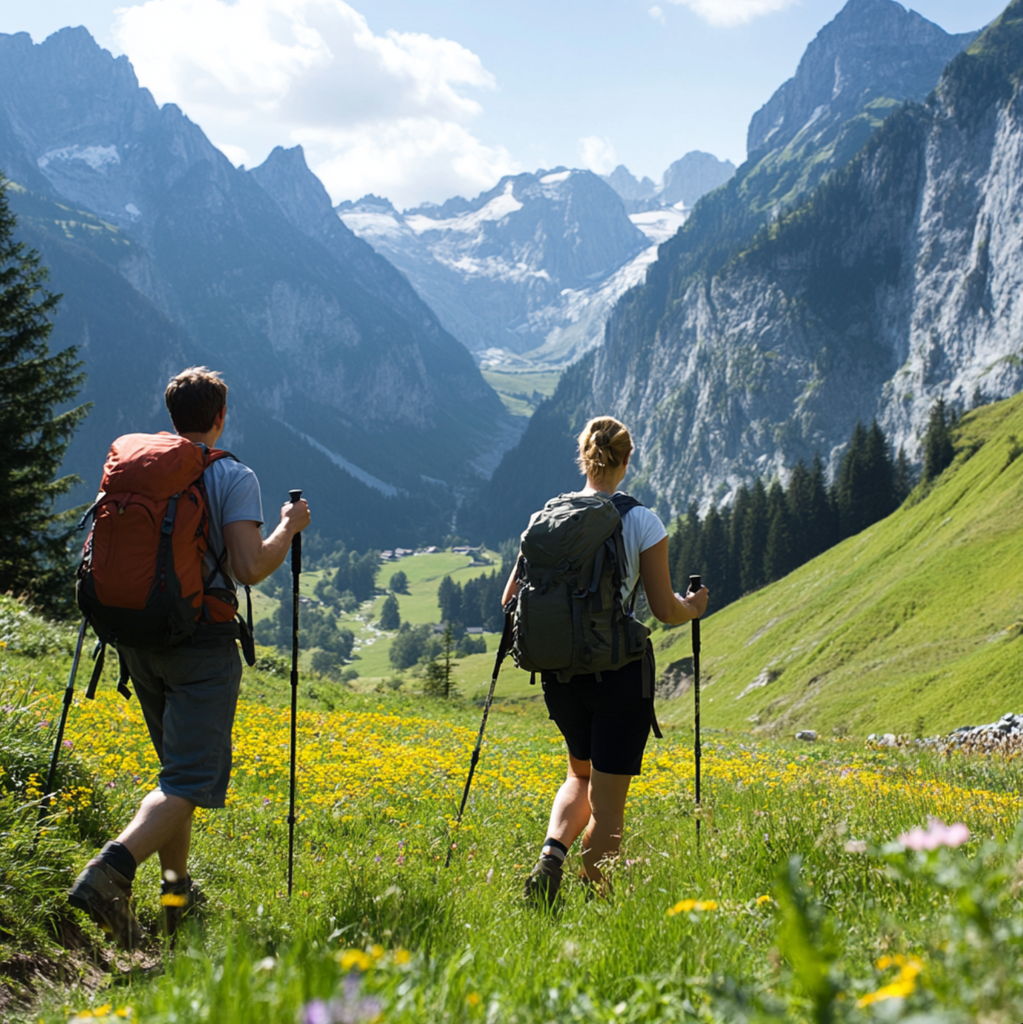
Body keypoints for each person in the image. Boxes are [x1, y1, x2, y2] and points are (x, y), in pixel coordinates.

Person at [68, 366, 311, 947]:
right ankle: (110, 871)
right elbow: (250, 567)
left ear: (172, 416)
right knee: (190, 782)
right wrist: (288, 527)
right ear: (221, 417)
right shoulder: (231, 474)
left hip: (135, 637)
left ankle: (175, 901)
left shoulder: (137, 467)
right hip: (200, 644)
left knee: (176, 780)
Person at [503, 415, 709, 905]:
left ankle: (551, 856)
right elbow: (663, 609)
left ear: (584, 454)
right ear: (627, 458)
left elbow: (511, 598)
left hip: (559, 675)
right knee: (609, 806)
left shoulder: (546, 517)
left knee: (579, 775)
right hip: (618, 677)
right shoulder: (642, 521)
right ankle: (596, 909)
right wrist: (695, 606)